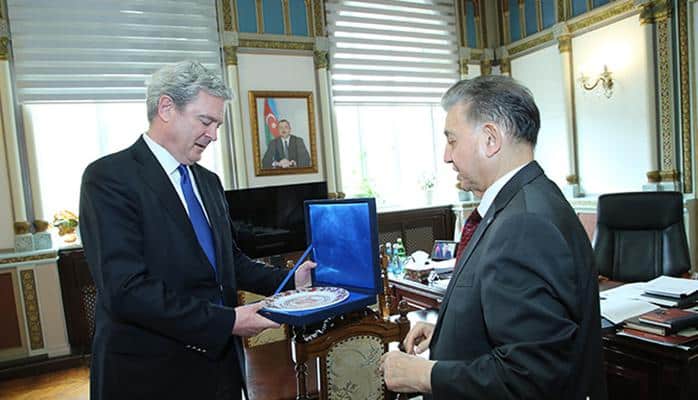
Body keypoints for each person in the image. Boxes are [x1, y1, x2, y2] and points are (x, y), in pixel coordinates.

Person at [79, 61, 316, 400]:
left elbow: (229, 261)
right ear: (166, 108)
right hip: (149, 375)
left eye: (217, 125)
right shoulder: (109, 179)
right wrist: (226, 322)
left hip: (220, 370)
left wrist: (291, 279)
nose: (214, 135)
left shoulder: (208, 182)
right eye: (205, 121)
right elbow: (126, 290)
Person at [379, 76, 606, 400]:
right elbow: (515, 322)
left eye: (452, 140)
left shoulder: (523, 225)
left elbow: (530, 377)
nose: (446, 156)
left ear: (490, 139)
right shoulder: (531, 197)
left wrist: (423, 375)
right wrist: (450, 332)